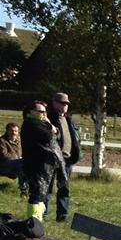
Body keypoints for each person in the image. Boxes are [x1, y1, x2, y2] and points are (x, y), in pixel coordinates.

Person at [21, 101, 64, 224]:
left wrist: (53, 129)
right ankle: (33, 222)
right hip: (35, 165)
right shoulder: (31, 123)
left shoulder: (39, 123)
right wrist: (51, 126)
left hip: (44, 165)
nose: (44, 114)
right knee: (36, 194)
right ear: (31, 112)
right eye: (40, 111)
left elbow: (58, 134)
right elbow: (49, 136)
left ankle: (37, 220)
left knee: (42, 194)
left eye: (45, 111)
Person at [46, 90, 81, 222]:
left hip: (67, 160)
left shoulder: (69, 119)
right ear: (54, 103)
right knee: (47, 188)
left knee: (64, 188)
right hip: (52, 159)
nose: (65, 105)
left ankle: (62, 216)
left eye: (66, 103)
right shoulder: (49, 118)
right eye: (62, 103)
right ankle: (43, 214)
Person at [0, 122, 24, 196]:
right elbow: (4, 155)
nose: (14, 133)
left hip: (18, 165)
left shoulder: (20, 140)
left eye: (16, 131)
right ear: (7, 131)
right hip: (4, 166)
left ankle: (34, 189)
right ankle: (23, 190)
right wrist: (18, 158)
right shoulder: (2, 141)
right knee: (21, 163)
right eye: (11, 131)